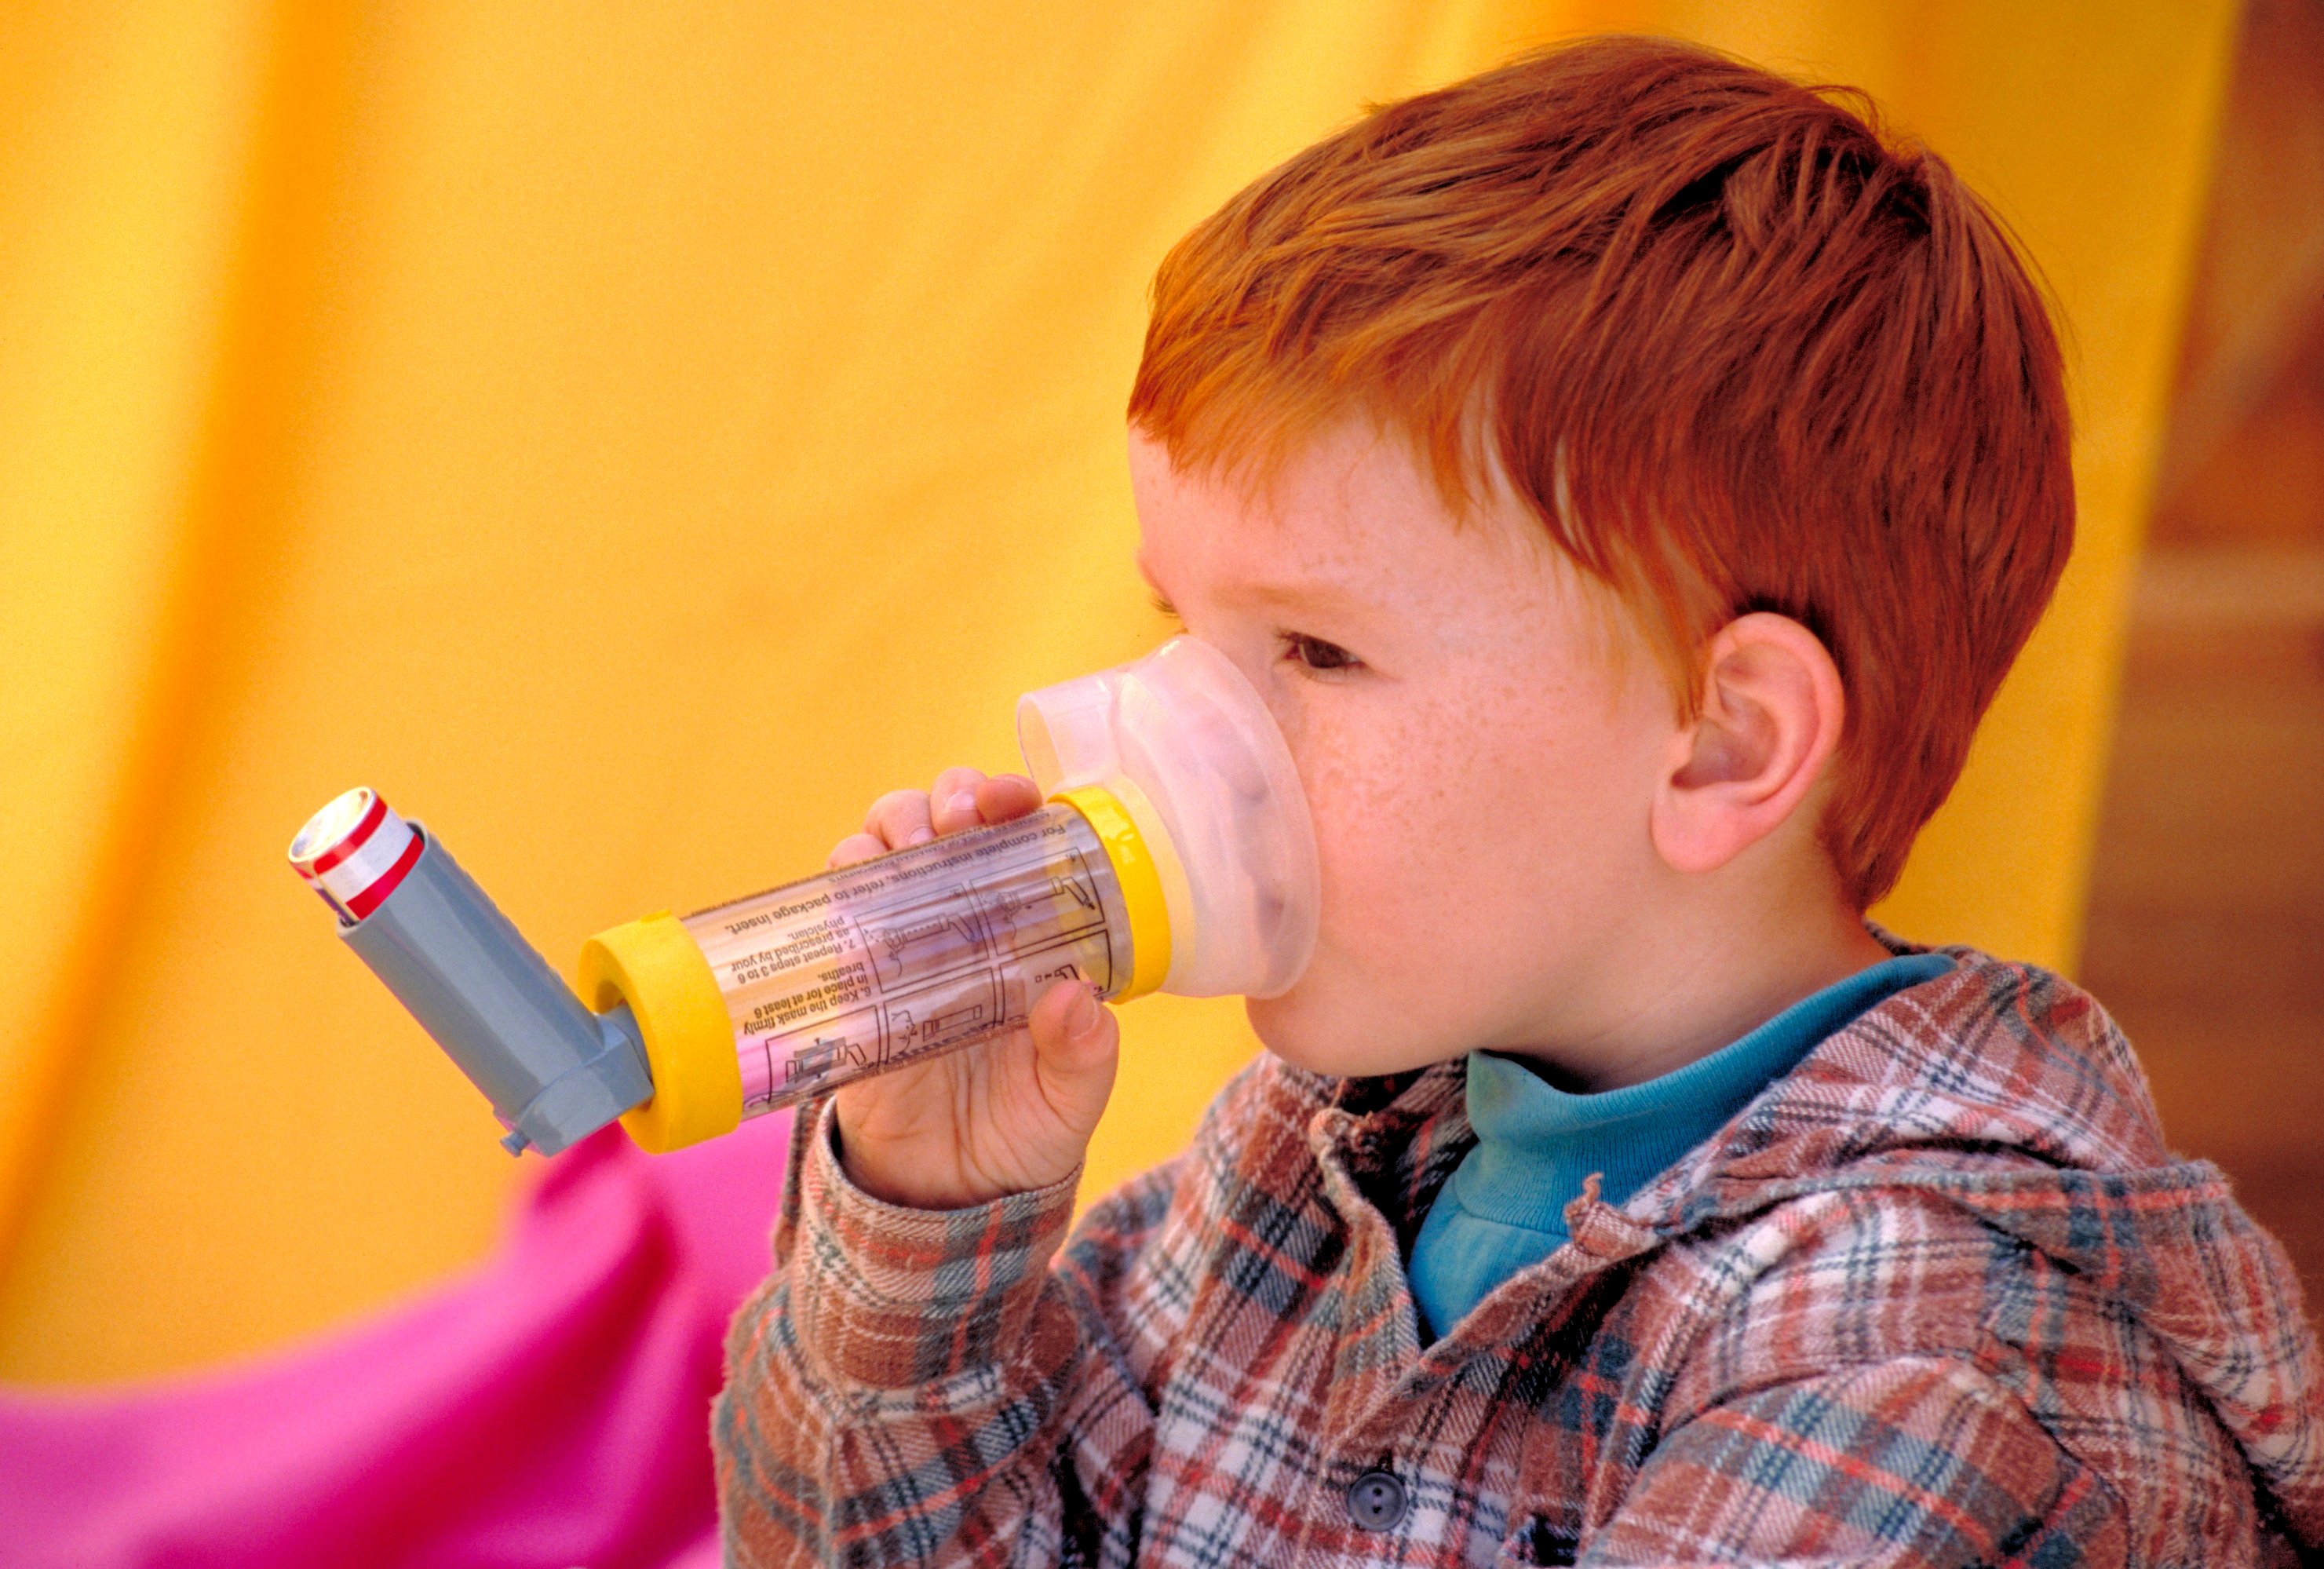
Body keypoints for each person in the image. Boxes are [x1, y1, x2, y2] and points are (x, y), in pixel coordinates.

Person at [712, 34, 2324, 1567]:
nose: (1171, 738)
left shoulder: (1917, 1373)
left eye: (1316, 651)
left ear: (1716, 745)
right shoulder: (1307, 1168)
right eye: (1177, 633)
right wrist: (924, 1221)